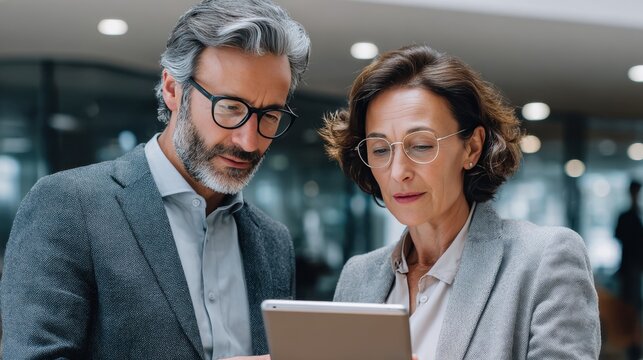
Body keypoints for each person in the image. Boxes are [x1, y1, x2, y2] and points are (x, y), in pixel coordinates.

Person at [0, 0, 310, 358]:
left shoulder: (273, 242)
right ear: (172, 89)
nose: (249, 141)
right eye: (230, 108)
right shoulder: (67, 206)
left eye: (269, 115)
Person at [321, 44, 601, 359]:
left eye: (422, 145)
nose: (398, 172)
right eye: (381, 149)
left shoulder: (543, 260)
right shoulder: (358, 275)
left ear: (472, 148)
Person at [614, 180, 643, 359]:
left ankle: (633, 346)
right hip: (629, 269)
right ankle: (630, 347)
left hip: (636, 268)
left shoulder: (636, 214)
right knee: (628, 309)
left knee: (634, 309)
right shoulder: (627, 215)